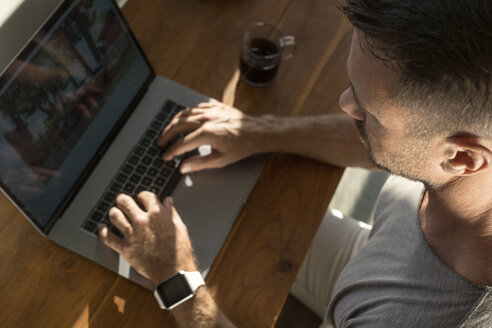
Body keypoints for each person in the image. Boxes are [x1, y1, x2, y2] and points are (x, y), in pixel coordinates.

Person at [98, 0, 492, 327]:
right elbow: (402, 147)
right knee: (220, 209)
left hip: (368, 308)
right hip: (375, 251)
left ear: (461, 158)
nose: (345, 104)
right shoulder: (462, 152)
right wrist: (258, 132)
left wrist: (176, 278)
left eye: (369, 111)